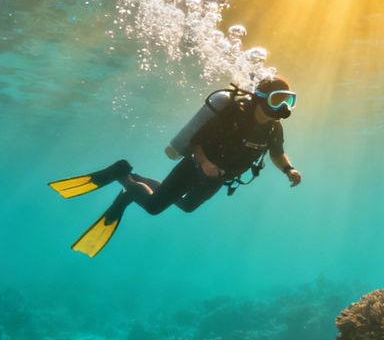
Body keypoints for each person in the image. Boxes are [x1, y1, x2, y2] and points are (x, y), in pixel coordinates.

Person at [49, 75, 302, 257]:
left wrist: (289, 170)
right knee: (154, 206)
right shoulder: (233, 114)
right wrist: (205, 163)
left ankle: (134, 181)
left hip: (218, 178)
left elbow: (277, 152)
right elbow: (195, 142)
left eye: (289, 101)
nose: (283, 107)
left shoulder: (273, 128)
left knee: (188, 206)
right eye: (279, 99)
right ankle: (123, 174)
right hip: (194, 166)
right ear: (261, 97)